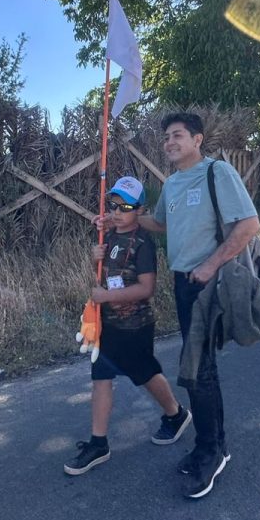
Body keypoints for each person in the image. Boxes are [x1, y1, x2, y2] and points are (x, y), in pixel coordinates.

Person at [105, 113, 259, 500]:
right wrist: (121, 218)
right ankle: (208, 442)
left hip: (209, 282)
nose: (169, 142)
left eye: (177, 136)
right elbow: (159, 223)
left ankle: (214, 450)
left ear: (197, 140)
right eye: (166, 137)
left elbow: (249, 225)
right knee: (197, 367)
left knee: (198, 369)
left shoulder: (217, 173)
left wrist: (209, 265)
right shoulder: (171, 184)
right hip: (183, 283)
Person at [65, 177, 191, 476]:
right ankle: (99, 443)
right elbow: (107, 273)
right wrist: (95, 257)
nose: (118, 211)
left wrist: (107, 295)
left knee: (145, 374)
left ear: (140, 209)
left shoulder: (143, 244)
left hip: (135, 326)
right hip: (108, 324)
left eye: (127, 206)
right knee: (101, 376)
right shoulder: (108, 237)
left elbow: (146, 288)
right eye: (114, 204)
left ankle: (175, 414)